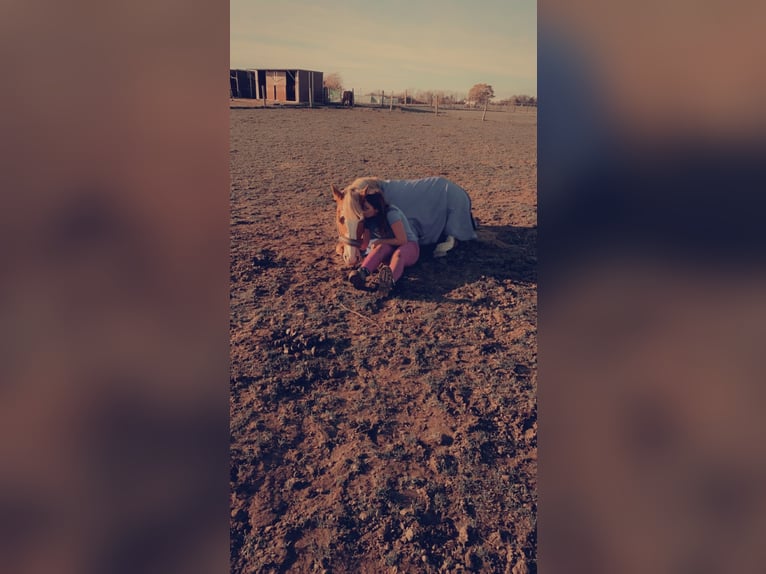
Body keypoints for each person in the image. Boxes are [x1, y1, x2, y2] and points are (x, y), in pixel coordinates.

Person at [347, 190, 420, 295]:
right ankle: (362, 273)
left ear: (376, 210)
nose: (363, 211)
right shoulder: (367, 219)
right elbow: (365, 244)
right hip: (390, 246)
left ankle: (388, 282)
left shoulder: (391, 214)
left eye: (366, 208)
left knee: (398, 254)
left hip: (408, 245)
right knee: (380, 248)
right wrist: (352, 246)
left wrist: (380, 241)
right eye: (362, 208)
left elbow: (402, 240)